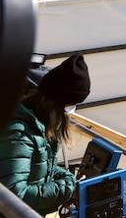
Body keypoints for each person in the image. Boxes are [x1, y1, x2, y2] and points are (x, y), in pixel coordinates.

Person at [0, 55, 90, 214]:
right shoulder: (19, 134)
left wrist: (68, 178)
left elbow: (44, 169)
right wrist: (66, 188)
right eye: (67, 107)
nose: (67, 115)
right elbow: (15, 197)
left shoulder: (38, 124)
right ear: (53, 102)